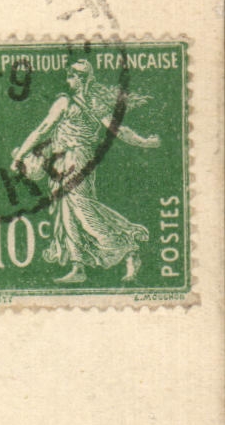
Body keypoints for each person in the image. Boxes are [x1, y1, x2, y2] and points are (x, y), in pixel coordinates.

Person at [8, 59, 160, 283]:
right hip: (61, 161)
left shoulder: (83, 102)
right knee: (67, 211)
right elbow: (44, 130)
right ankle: (78, 267)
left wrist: (144, 142)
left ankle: (128, 247)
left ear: (81, 79)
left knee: (82, 207)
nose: (68, 80)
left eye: (72, 76)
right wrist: (21, 154)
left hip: (79, 159)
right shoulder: (73, 102)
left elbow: (116, 130)